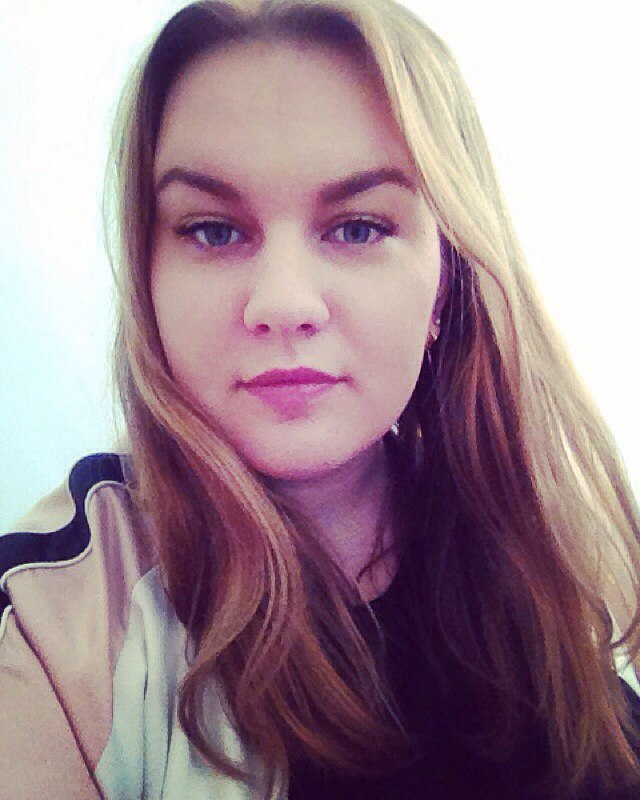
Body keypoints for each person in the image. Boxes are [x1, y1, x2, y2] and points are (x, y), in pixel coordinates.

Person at [1, 0, 639, 798]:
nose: (284, 302)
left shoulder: (552, 549)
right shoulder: (54, 618)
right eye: (213, 230)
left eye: (359, 227)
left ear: (445, 283)